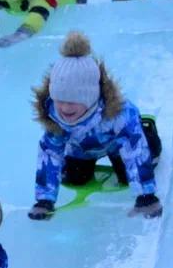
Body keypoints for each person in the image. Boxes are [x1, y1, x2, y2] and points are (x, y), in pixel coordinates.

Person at [27, 32, 161, 220]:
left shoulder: (118, 114)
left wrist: (146, 196)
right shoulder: (54, 116)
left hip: (116, 145)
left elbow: (133, 148)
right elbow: (50, 153)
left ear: (90, 96)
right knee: (75, 179)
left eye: (73, 101)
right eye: (59, 100)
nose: (65, 108)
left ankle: (149, 134)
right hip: (81, 150)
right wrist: (44, 201)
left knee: (128, 173)